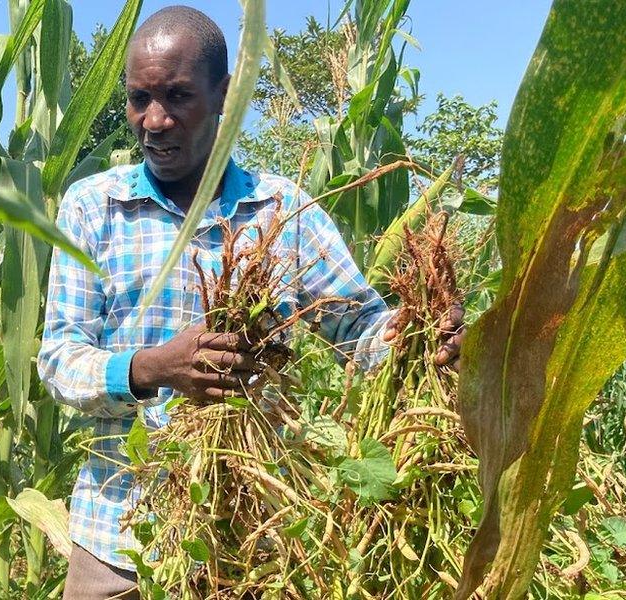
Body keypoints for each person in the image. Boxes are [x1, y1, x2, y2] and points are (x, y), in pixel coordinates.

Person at [37, 6, 464, 599]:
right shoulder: (91, 207)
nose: (154, 121)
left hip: (252, 534)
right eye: (139, 99)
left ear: (224, 95)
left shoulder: (279, 211)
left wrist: (418, 336)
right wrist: (152, 368)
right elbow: (58, 359)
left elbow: (360, 325)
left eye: (178, 96)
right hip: (118, 537)